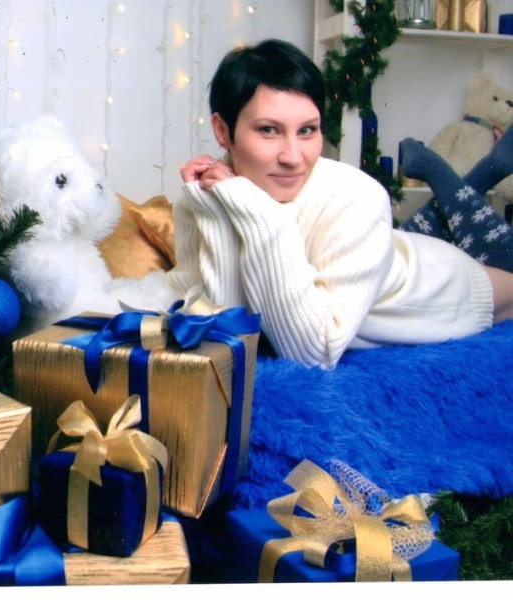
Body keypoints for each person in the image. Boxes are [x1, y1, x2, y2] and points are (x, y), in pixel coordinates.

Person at [166, 38, 513, 369]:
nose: (293, 157)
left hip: (441, 286)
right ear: (222, 130)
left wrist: (253, 210)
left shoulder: (357, 196)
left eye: (307, 130)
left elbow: (314, 353)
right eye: (269, 130)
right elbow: (220, 322)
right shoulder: (209, 198)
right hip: (379, 256)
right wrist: (220, 211)